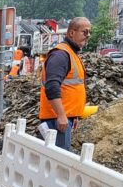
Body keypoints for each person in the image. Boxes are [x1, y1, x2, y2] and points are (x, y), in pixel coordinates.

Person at [38, 17, 90, 150]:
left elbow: (70, 88)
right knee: (59, 164)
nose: (88, 36)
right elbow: (52, 87)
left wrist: (73, 115)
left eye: (89, 32)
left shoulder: (70, 53)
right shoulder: (61, 54)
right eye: (84, 32)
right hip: (57, 120)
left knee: (58, 161)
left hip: (63, 118)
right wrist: (61, 115)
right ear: (72, 33)